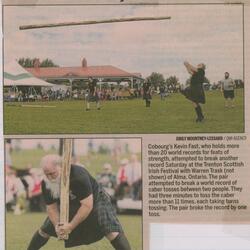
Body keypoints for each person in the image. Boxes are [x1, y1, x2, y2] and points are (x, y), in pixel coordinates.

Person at [27, 155, 131, 250]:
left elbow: (87, 205)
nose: (50, 177)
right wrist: (57, 226)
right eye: (46, 174)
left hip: (95, 200)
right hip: (69, 203)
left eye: (52, 173)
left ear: (61, 167)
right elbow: (51, 208)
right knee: (44, 230)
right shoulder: (46, 183)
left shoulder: (78, 175)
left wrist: (70, 226)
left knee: (111, 231)